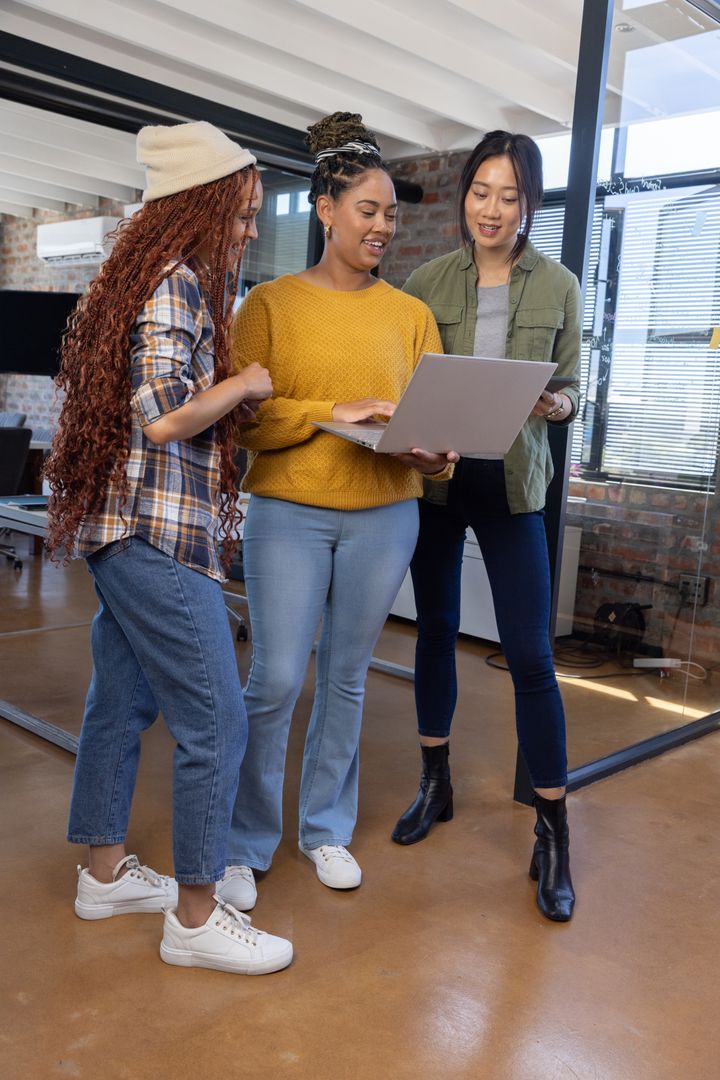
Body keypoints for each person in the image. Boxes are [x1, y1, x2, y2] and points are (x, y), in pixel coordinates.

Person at [44, 120, 293, 974]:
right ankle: (195, 917)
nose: (250, 230)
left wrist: (229, 401)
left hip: (120, 534)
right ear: (203, 204)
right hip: (155, 538)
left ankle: (104, 874)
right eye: (243, 213)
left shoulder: (143, 277)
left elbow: (163, 405)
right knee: (217, 720)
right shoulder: (179, 282)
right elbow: (162, 414)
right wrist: (247, 382)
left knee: (119, 703)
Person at [216, 112, 457, 910]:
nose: (384, 226)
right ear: (326, 210)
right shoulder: (272, 305)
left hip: (387, 514)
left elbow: (435, 421)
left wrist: (434, 452)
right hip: (289, 510)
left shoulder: (411, 316)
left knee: (347, 679)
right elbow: (244, 420)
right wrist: (334, 410)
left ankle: (324, 830)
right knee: (278, 676)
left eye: (392, 214)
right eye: (369, 210)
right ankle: (244, 843)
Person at [390, 131, 581, 923]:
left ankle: (554, 832)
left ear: (530, 203)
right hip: (437, 482)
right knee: (434, 630)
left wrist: (556, 404)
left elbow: (572, 389)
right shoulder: (426, 280)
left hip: (512, 485)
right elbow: (405, 380)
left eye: (508, 195)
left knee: (531, 657)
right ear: (465, 195)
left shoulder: (559, 285)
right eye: (480, 192)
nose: (491, 209)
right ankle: (435, 783)